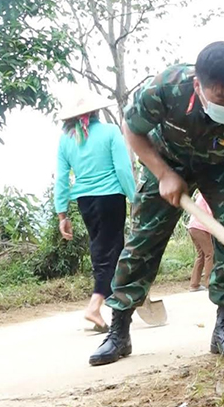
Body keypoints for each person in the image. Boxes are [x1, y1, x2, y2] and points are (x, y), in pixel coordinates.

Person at [88, 41, 224, 366]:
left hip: (221, 166)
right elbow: (133, 130)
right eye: (221, 98)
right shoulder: (167, 87)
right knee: (142, 240)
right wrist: (163, 173)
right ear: (199, 85)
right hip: (165, 158)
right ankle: (118, 331)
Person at [54, 88, 136, 332]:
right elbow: (122, 170)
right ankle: (96, 304)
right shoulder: (111, 132)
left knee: (102, 250)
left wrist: (62, 214)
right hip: (110, 198)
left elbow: (61, 178)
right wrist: (135, 198)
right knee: (113, 251)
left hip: (85, 202)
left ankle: (114, 300)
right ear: (97, 110)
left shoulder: (66, 140)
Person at [186, 192, 214, 292]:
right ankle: (210, 283)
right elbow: (211, 212)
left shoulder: (200, 195)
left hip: (193, 227)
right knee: (209, 254)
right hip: (200, 228)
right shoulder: (206, 195)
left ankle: (194, 284)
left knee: (201, 255)